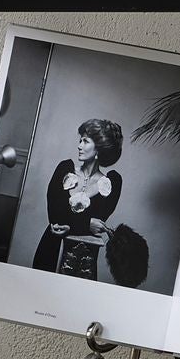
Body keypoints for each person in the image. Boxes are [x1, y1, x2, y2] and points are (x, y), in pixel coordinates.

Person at [33, 118, 124, 279]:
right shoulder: (64, 169)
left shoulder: (110, 183)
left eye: (85, 141)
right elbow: (55, 215)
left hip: (83, 260)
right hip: (51, 249)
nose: (79, 146)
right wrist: (86, 223)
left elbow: (99, 220)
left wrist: (73, 223)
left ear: (98, 148)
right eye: (80, 140)